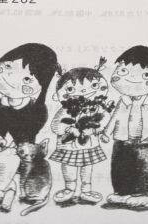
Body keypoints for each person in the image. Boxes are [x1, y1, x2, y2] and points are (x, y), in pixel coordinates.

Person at [103, 45, 148, 211]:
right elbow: (115, 117)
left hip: (147, 142)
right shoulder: (123, 101)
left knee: (146, 169)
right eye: (123, 70)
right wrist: (106, 132)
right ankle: (121, 193)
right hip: (122, 140)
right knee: (120, 166)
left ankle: (145, 195)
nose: (131, 79)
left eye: (145, 75)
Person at [49, 59, 114, 205]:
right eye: (71, 89)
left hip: (89, 146)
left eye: (94, 85)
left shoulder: (97, 107)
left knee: (87, 168)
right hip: (68, 147)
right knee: (69, 168)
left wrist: (97, 129)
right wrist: (69, 129)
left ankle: (86, 190)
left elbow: (105, 119)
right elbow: (55, 126)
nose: (84, 91)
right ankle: (69, 189)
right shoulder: (66, 109)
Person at [0, 43, 60, 144]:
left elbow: (29, 133)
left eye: (27, 79)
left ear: (42, 85)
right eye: (8, 66)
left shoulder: (37, 108)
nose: (9, 76)